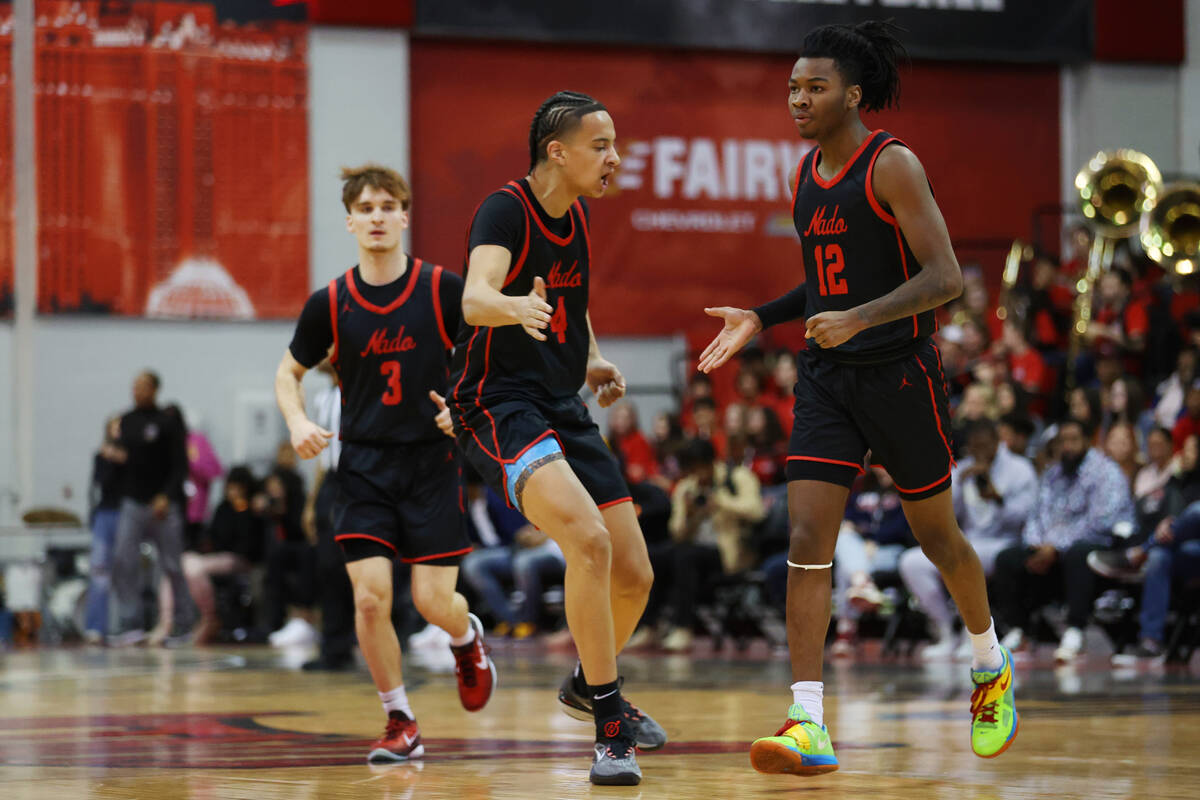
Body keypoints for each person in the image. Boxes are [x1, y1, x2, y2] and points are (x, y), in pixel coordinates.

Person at [696, 21, 1017, 773]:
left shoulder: (892, 165)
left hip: (900, 373)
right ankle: (807, 719)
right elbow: (828, 283)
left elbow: (946, 279)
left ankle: (989, 663)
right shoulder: (805, 175)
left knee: (939, 539)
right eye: (791, 89)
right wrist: (763, 317)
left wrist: (860, 318)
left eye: (814, 88)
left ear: (854, 94)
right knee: (808, 541)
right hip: (828, 377)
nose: (798, 100)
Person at [447, 90, 662, 786]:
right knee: (589, 544)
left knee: (635, 572)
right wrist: (516, 306)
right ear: (557, 151)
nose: (614, 158)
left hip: (562, 401)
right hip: (498, 402)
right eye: (602, 146)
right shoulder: (506, 209)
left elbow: (574, 302)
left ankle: (582, 683)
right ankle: (609, 730)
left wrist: (591, 352)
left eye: (615, 145)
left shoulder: (581, 217)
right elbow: (475, 297)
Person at [274, 164, 495, 764]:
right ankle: (400, 718)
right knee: (368, 599)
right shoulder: (332, 302)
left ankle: (464, 635)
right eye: (365, 208)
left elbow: (487, 357)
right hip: (365, 464)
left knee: (431, 602)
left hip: (430, 464)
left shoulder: (442, 289)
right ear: (350, 220)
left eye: (386, 206)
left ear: (404, 216)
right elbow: (287, 373)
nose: (376, 216)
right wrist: (297, 422)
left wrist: (464, 406)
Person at [990, 417, 1135, 661]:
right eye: (1062, 441)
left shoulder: (1106, 472)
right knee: (1007, 558)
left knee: (1079, 553)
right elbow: (1036, 515)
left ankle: (1075, 631)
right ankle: (1018, 630)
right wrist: (1037, 544)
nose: (1067, 446)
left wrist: (1056, 547)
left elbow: (1101, 522)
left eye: (1073, 440)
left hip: (1095, 548)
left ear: (1088, 441)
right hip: (1050, 548)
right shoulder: (1053, 474)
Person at [900, 419, 1037, 660]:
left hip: (1005, 544)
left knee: (965, 562)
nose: (980, 452)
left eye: (985, 445)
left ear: (997, 442)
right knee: (911, 562)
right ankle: (945, 630)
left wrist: (997, 498)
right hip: (970, 539)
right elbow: (945, 519)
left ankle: (972, 634)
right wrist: (959, 487)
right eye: (974, 447)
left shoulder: (1020, 469)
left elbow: (1027, 518)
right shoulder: (962, 470)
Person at [109, 371, 193, 646]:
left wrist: (167, 496)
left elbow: (180, 464)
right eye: (134, 386)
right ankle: (130, 623)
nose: (137, 391)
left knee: (171, 563)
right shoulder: (127, 421)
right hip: (134, 500)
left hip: (163, 504)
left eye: (143, 387)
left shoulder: (167, 421)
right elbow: (123, 457)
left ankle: (182, 623)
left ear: (155, 389)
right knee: (124, 559)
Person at [184, 466, 267, 644]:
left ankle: (209, 617)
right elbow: (215, 536)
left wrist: (244, 509)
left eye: (238, 488)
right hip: (219, 556)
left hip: (241, 559)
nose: (233, 492)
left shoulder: (251, 510)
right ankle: (200, 615)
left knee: (196, 567)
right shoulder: (223, 508)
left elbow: (250, 543)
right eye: (231, 487)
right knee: (185, 562)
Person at [83, 416, 126, 644]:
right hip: (105, 513)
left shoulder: (131, 456)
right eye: (114, 427)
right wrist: (109, 458)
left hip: (126, 515)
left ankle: (126, 626)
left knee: (125, 572)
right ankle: (95, 626)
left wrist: (122, 458)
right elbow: (101, 482)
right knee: (99, 572)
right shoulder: (101, 456)